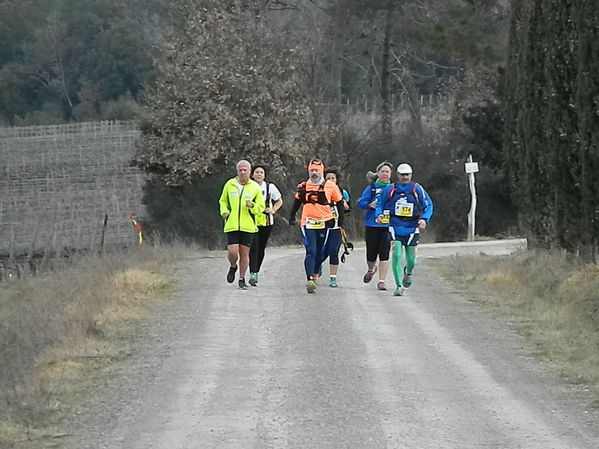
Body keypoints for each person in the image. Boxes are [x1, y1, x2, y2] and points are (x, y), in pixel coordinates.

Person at [375, 163, 433, 296]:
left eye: (407, 175)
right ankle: (398, 285)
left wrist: (424, 219)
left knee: (412, 260)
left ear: (411, 175)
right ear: (398, 175)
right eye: (402, 175)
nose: (405, 177)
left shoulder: (417, 189)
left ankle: (408, 272)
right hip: (395, 226)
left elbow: (428, 205)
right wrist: (379, 215)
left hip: (412, 227)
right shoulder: (390, 189)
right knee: (396, 255)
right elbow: (380, 204)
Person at [289, 158, 343, 294]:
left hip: (325, 222)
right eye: (312, 170)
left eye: (317, 171)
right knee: (311, 251)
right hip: (308, 222)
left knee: (320, 253)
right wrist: (291, 216)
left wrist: (340, 220)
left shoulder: (330, 186)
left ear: (322, 172)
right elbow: (296, 202)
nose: (314, 173)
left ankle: (316, 270)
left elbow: (340, 202)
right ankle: (310, 279)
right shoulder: (304, 186)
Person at [219, 160, 265, 289]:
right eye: (240, 170)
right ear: (237, 171)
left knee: (244, 254)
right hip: (232, 224)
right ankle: (233, 266)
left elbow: (261, 207)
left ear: (250, 172)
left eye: (245, 170)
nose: (243, 172)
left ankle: (241, 278)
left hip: (248, 226)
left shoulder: (255, 187)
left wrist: (253, 206)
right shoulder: (230, 184)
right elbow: (222, 201)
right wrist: (224, 211)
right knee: (232, 252)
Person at [356, 161, 394, 291]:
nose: (384, 174)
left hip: (387, 226)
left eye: (387, 172)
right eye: (382, 171)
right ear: (378, 173)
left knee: (385, 253)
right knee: (371, 254)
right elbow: (360, 202)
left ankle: (382, 281)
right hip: (372, 224)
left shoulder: (394, 189)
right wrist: (369, 205)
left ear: (390, 174)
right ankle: (371, 269)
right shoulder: (372, 188)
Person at [248, 164, 283, 286]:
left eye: (261, 172)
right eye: (256, 172)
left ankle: (256, 271)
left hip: (266, 221)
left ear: (265, 175)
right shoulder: (248, 186)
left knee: (261, 248)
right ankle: (252, 272)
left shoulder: (270, 187)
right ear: (252, 174)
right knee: (253, 247)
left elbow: (279, 200)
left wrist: (273, 209)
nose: (259, 174)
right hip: (251, 220)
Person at [323, 167, 350, 288]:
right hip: (321, 226)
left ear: (336, 180)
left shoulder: (342, 192)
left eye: (332, 178)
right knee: (322, 252)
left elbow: (349, 210)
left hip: (336, 226)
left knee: (333, 251)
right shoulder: (319, 191)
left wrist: (345, 206)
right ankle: (317, 268)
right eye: (327, 178)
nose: (330, 180)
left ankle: (332, 278)